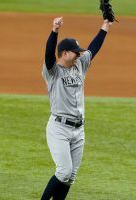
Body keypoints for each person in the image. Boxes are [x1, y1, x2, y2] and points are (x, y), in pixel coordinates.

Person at [41, 16, 112, 200]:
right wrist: (54, 31)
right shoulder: (52, 71)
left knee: (70, 177)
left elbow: (94, 48)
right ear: (64, 53)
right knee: (64, 172)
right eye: (75, 52)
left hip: (79, 129)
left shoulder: (79, 65)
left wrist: (105, 25)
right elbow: (49, 53)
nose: (79, 54)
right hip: (59, 128)